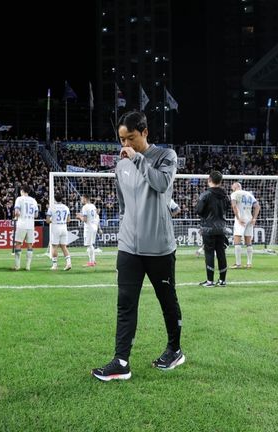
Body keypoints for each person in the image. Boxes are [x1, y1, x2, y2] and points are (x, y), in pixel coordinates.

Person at [91, 111, 183, 381]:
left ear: (144, 132)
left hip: (160, 247)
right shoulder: (120, 166)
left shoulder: (167, 156)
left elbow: (162, 183)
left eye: (130, 138)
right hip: (129, 246)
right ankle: (121, 361)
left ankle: (175, 350)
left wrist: (137, 158)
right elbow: (124, 204)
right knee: (125, 304)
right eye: (121, 140)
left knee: (167, 301)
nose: (125, 145)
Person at [196, 171, 230, 287]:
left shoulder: (205, 195)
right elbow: (227, 209)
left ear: (209, 180)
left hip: (209, 228)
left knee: (209, 253)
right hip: (221, 228)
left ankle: (210, 281)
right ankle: (222, 281)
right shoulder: (225, 196)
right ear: (220, 181)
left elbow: (198, 211)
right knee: (221, 253)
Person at [230, 182, 260, 269]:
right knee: (248, 241)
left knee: (237, 239)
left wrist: (238, 218)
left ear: (235, 187)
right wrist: (254, 218)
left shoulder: (234, 194)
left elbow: (234, 206)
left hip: (241, 219)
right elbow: (257, 206)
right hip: (249, 219)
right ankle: (249, 263)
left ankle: (238, 264)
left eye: (232, 186)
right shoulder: (249, 194)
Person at [13, 185, 38, 271]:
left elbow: (16, 212)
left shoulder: (19, 199)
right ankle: (28, 266)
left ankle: (17, 266)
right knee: (30, 245)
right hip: (31, 225)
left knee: (18, 243)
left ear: (22, 190)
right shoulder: (33, 200)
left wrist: (16, 217)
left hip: (21, 224)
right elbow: (36, 214)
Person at [46, 193, 72, 271]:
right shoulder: (66, 207)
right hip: (64, 227)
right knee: (64, 246)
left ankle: (55, 265)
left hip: (56, 227)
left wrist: (52, 220)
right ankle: (69, 263)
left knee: (54, 246)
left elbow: (47, 220)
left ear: (54, 199)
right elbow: (68, 220)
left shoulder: (52, 207)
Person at [77, 194, 100, 267]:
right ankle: (93, 260)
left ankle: (91, 262)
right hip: (94, 226)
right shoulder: (93, 206)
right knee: (91, 244)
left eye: (82, 199)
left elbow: (85, 220)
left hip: (89, 227)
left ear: (85, 199)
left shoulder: (85, 207)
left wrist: (79, 216)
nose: (81, 200)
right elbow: (96, 216)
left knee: (89, 245)